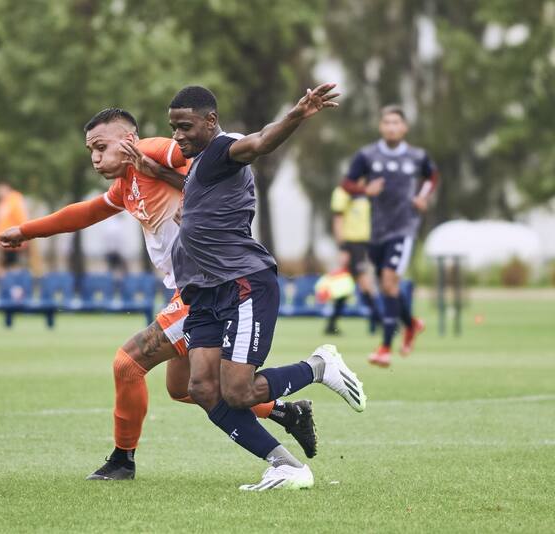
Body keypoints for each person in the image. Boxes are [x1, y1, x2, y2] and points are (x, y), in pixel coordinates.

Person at [0, 108, 317, 481]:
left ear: (130, 141)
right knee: (184, 389)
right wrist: (27, 230)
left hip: (207, 286)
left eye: (101, 147)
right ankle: (285, 412)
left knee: (128, 363)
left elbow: (202, 159)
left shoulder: (156, 150)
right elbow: (86, 212)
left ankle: (122, 460)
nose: (95, 158)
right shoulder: (125, 185)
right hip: (192, 290)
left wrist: (186, 192)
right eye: (90, 151)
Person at [167, 83, 366, 491]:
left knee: (237, 392)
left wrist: (296, 114)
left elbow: (258, 143)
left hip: (242, 285)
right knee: (203, 387)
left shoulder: (224, 148)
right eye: (173, 128)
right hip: (205, 292)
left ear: (210, 121)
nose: (177, 135)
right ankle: (285, 466)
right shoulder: (201, 165)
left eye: (185, 126)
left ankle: (318, 367)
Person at [341, 105, 438, 367]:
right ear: (381, 127)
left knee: (389, 281)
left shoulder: (417, 156)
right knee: (388, 286)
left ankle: (384, 347)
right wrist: (364, 190)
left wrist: (422, 197)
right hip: (375, 232)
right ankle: (412, 323)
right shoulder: (367, 155)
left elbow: (432, 177)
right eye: (387, 123)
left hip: (403, 229)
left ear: (404, 127)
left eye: (396, 123)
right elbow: (347, 184)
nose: (392, 127)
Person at [323, 184, 380, 335]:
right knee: (363, 283)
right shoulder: (343, 191)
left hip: (363, 245)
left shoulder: (366, 192)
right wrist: (343, 248)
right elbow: (338, 220)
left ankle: (331, 324)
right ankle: (379, 321)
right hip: (351, 245)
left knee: (347, 285)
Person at [0, 182, 29, 276]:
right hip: (5, 238)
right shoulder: (4, 202)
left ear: (7, 188)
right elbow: (0, 221)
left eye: (1, 190)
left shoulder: (14, 199)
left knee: (10, 264)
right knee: (6, 263)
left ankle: (12, 284)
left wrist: (24, 234)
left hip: (12, 237)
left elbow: (21, 218)